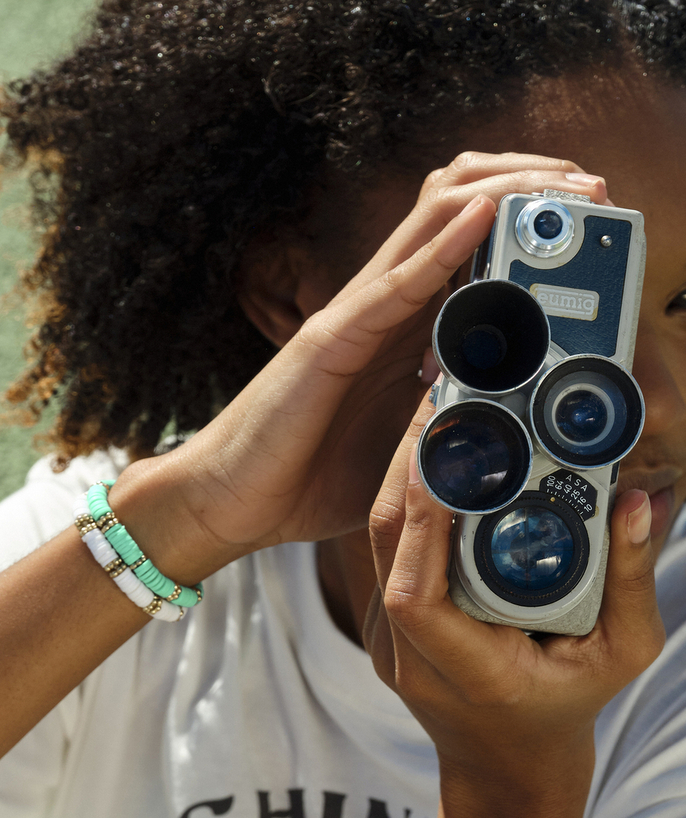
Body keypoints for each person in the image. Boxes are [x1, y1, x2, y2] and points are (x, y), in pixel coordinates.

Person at [0, 0, 684, 815]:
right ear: (292, 296)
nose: (656, 404)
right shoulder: (91, 540)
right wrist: (187, 519)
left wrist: (518, 777)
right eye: (507, 312)